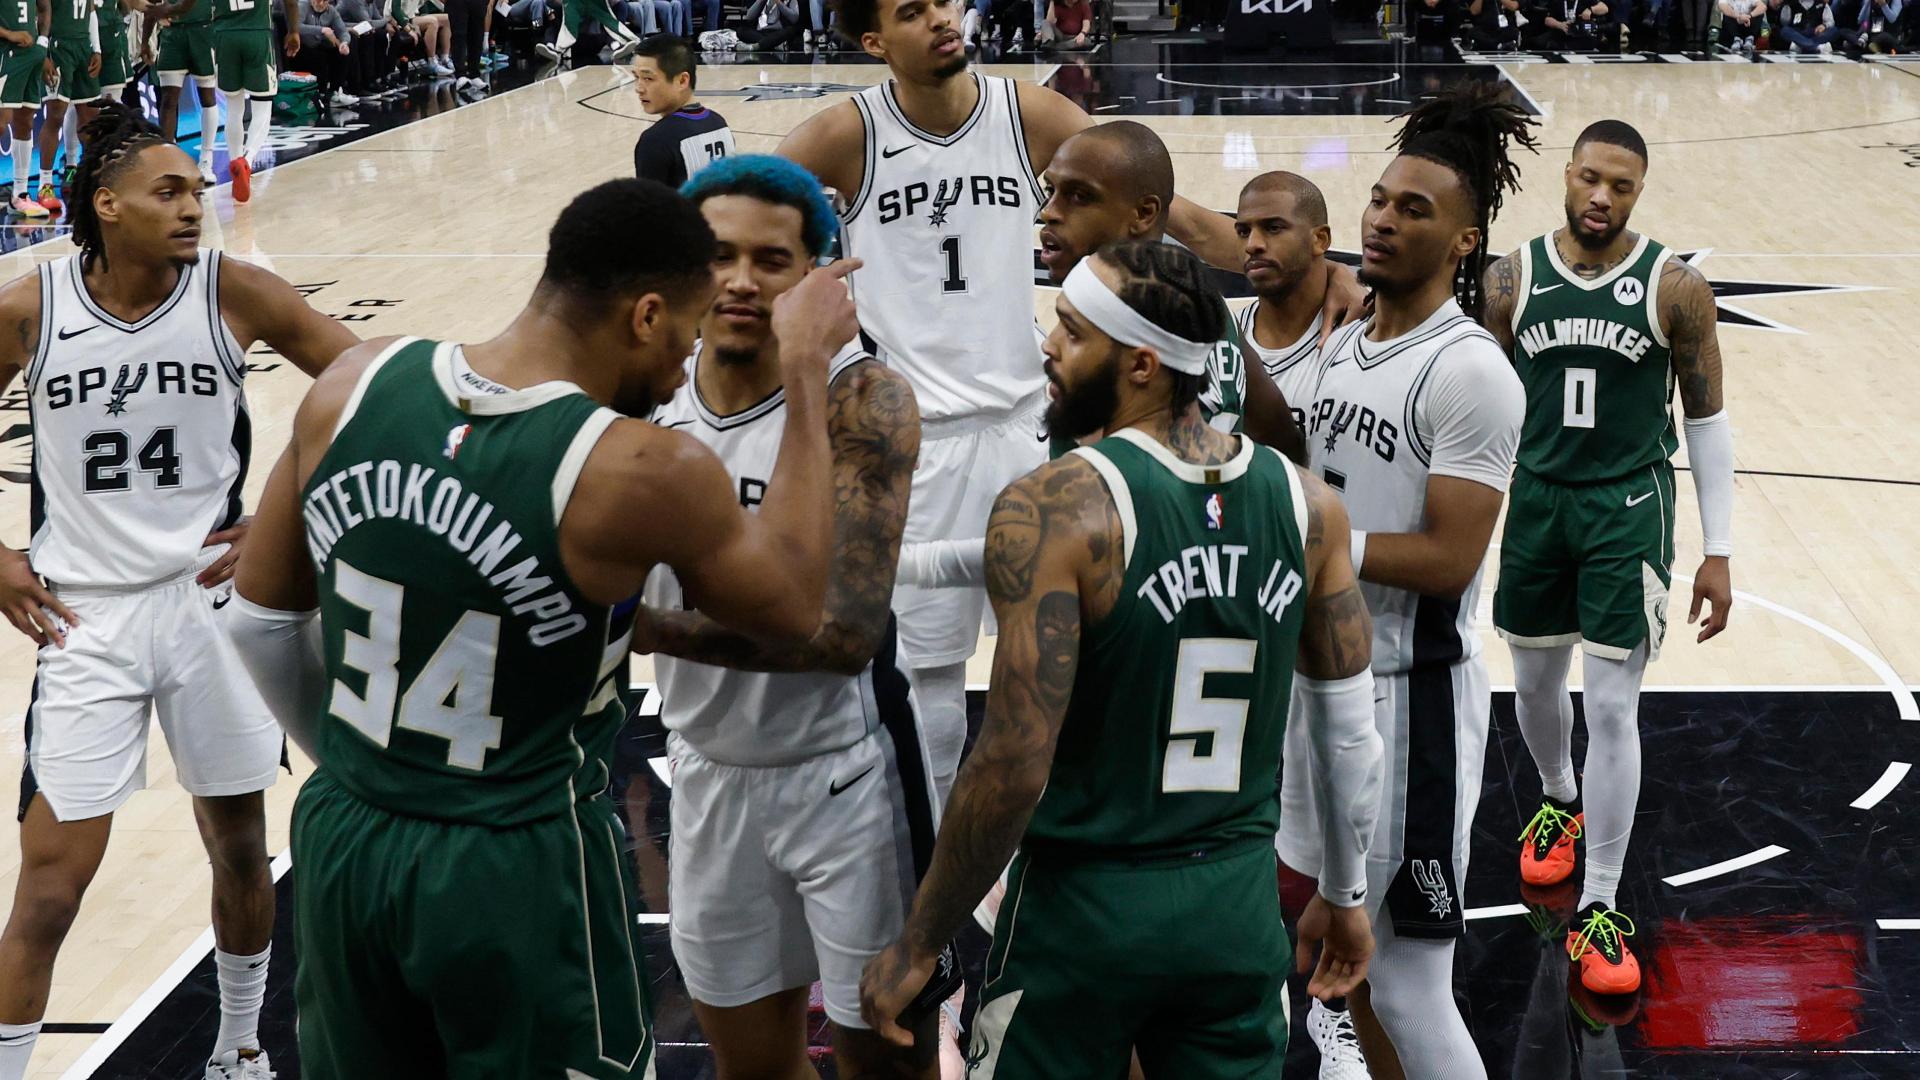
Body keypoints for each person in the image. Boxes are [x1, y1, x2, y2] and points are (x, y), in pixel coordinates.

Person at [221, 176, 857, 1079]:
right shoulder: (641, 468)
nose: (683, 368)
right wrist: (804, 372)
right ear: (644, 316)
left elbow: (258, 619)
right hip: (515, 860)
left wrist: (368, 772)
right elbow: (797, 608)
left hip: (344, 838)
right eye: (683, 336)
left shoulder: (355, 382)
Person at [781, 0, 1365, 802]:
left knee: (1070, 658)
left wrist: (1318, 268)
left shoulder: (1029, 112)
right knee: (934, 686)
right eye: (914, 12)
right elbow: (740, 220)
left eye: (946, 1)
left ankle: (1056, 837)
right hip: (921, 438)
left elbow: (1169, 208)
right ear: (875, 41)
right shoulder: (844, 135)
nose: (944, 19)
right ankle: (945, 865)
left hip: (1032, 423)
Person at [857, 239, 1385, 1078]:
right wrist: (1347, 895)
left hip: (1084, 912)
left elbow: (1011, 762)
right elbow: (1352, 736)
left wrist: (922, 940)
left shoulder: (1059, 502)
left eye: (1071, 330)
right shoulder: (1309, 503)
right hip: (1234, 909)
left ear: (1140, 363)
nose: (1049, 347)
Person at [0, 104, 359, 1080]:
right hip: (87, 613)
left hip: (212, 602)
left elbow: (369, 382)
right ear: (105, 204)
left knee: (240, 844)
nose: (195, 203)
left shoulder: (233, 291)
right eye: (171, 190)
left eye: (198, 188)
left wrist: (288, 517)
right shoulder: (33, 306)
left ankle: (239, 1049)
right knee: (49, 888)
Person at [635, 154, 937, 1080]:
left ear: (821, 277)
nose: (739, 279)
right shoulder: (643, 402)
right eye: (718, 254)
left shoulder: (863, 400)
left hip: (845, 779)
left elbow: (839, 639)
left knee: (884, 1064)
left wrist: (632, 628)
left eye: (772, 261)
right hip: (706, 774)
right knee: (750, 1067)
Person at [1296, 83, 1533, 1080]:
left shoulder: (1470, 372)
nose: (1385, 218)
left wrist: (1318, 544)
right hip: (1323, 688)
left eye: (1416, 209)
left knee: (1406, 984)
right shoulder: (1349, 339)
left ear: (1465, 241)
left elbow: (1449, 558)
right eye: (1382, 200)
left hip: (1411, 701)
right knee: (1339, 963)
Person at [1481, 119, 1733, 1000]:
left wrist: (1720, 550)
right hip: (1539, 501)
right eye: (1590, 179)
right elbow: (1473, 399)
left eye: (1620, 186)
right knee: (1536, 687)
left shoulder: (1675, 287)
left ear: (1639, 191)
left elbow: (1705, 419)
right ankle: (1558, 799)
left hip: (1629, 508)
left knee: (1615, 708)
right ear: (1567, 176)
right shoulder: (1511, 278)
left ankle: (1600, 902)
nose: (1601, 198)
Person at [1035, 123, 1302, 457]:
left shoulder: (1114, 333)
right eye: (1050, 190)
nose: (1048, 211)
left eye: (1079, 196)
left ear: (1145, 213)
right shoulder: (1207, 307)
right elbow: (1279, 431)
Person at [219, 0, 297, 201]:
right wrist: (293, 31)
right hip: (257, 34)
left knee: (233, 109)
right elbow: (290, 2)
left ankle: (235, 164)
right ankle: (247, 160)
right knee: (263, 108)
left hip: (225, 36)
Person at [632, 38, 732, 188]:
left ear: (682, 81)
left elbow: (649, 208)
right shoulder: (719, 123)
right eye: (636, 77)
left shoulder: (656, 140)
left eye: (648, 78)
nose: (639, 88)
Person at [149, 0, 220, 181]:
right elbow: (153, 7)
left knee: (208, 97)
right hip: (172, 34)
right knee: (168, 99)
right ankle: (168, 160)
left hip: (203, 30)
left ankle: (206, 160)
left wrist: (167, 10)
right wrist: (145, 41)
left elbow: (181, 5)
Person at [0, 0, 49, 216]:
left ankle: (19, 194)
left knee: (26, 119)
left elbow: (44, 6)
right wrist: (9, 34)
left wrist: (43, 43)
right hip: (5, 51)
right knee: (1, 121)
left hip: (31, 54)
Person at [298, 0, 360, 108]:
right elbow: (297, 27)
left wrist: (344, 43)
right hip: (304, 46)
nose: (321, 4)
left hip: (321, 45)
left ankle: (335, 91)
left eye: (324, 1)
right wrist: (321, 30)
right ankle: (321, 94)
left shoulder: (331, 10)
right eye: (318, 0)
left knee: (345, 49)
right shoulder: (303, 5)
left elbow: (342, 30)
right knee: (318, 56)